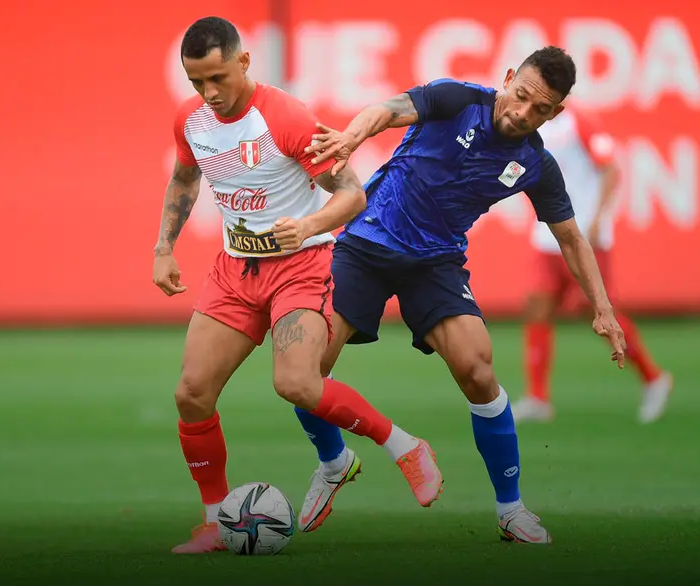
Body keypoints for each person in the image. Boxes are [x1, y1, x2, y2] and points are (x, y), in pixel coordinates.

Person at [288, 46, 628, 544]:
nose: (522, 113)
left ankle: (511, 510)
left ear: (556, 113)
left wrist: (604, 309)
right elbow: (386, 111)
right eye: (521, 96)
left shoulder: (535, 162)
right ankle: (333, 460)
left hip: (436, 262)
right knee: (306, 369)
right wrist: (349, 138)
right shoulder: (456, 99)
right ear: (508, 78)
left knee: (478, 368)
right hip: (367, 242)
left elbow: (572, 237)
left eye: (540, 109)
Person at [153, 16, 443, 555]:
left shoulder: (285, 118)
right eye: (197, 82)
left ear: (243, 62)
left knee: (297, 384)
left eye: (218, 77)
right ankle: (216, 522)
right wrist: (164, 247)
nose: (209, 93)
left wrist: (308, 226)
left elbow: (353, 194)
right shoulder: (190, 121)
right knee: (191, 394)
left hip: (301, 267)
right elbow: (185, 176)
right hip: (236, 272)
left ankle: (404, 446)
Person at [513, 106, 673, 425]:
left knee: (595, 311)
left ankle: (653, 378)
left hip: (583, 234)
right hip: (547, 235)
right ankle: (538, 397)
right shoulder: (530, 125)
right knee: (537, 307)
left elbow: (611, 168)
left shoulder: (577, 123)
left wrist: (600, 217)